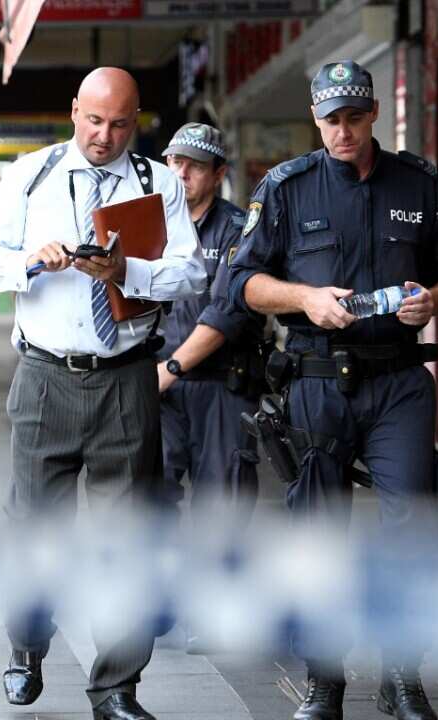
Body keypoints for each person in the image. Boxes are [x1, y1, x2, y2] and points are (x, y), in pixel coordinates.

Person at [227, 61, 438, 720]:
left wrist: (433, 300)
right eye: (331, 118)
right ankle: (324, 679)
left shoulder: (416, 182)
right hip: (317, 381)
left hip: (398, 379)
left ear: (373, 115)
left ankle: (403, 675)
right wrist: (305, 298)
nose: (343, 130)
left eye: (355, 117)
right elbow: (243, 284)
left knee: (411, 524)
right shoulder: (285, 187)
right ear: (315, 117)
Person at [0, 67, 206, 720]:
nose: (104, 136)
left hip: (126, 378)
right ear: (75, 112)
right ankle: (26, 647)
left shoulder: (158, 184)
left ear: (138, 121)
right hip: (44, 378)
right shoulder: (31, 174)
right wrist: (30, 263)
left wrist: (129, 269)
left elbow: (191, 274)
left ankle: (117, 688)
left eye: (120, 124)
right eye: (94, 120)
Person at [152, 123, 269, 652]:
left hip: (222, 384)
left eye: (194, 165)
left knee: (221, 501)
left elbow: (229, 312)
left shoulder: (241, 230)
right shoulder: (148, 226)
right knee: (151, 491)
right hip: (160, 387)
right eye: (174, 162)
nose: (181, 173)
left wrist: (170, 368)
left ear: (219, 174)